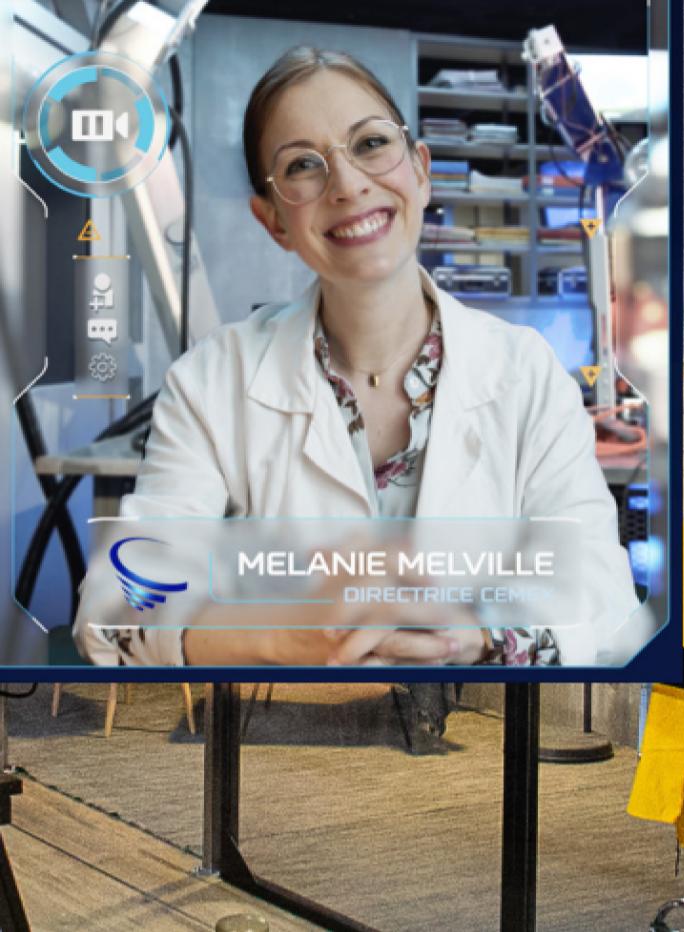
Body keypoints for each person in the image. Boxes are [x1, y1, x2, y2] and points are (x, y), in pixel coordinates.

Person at [73, 47, 638, 671]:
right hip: (281, 742)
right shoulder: (211, 382)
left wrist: (474, 637)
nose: (347, 185)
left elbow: (605, 597)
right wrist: (280, 635)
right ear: (274, 222)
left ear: (420, 172)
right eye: (303, 166)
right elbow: (115, 608)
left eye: (369, 144)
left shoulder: (526, 372)